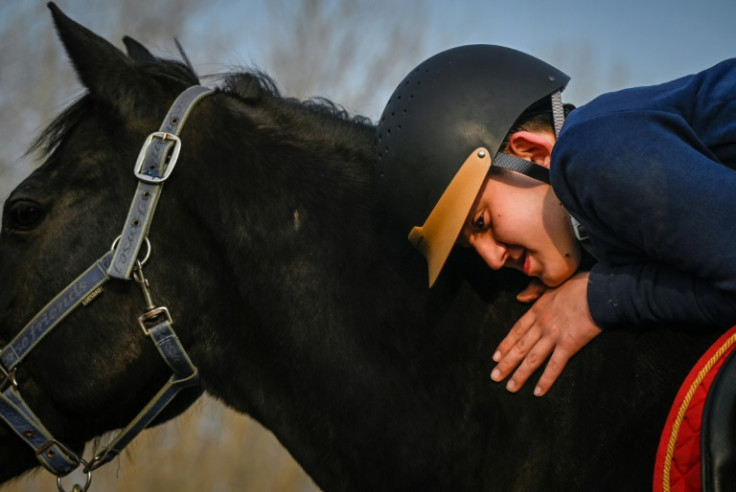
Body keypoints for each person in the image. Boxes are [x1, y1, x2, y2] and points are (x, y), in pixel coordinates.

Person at [375, 44, 736, 396]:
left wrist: (601, 297)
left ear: (531, 153)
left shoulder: (589, 154)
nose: (492, 259)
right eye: (471, 246)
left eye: (481, 223)